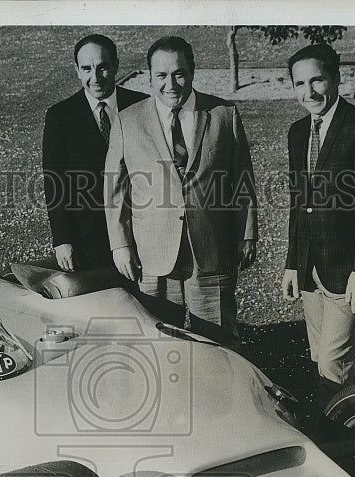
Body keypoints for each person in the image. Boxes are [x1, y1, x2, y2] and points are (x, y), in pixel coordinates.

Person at [105, 36, 257, 349]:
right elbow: (115, 189)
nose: (170, 84)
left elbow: (243, 179)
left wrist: (248, 234)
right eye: (161, 75)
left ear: (192, 71)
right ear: (150, 76)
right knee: (159, 344)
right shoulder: (127, 121)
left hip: (212, 250)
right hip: (152, 255)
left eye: (179, 73)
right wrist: (121, 244)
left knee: (219, 344)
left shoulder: (223, 115)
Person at [281, 43, 355, 433]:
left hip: (348, 271)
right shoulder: (298, 132)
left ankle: (335, 439)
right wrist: (292, 263)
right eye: (299, 83)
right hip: (311, 268)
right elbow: (299, 204)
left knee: (333, 361)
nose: (309, 92)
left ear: (336, 78)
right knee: (318, 356)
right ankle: (331, 422)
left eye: (317, 80)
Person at [42, 34, 147, 272]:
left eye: (103, 67)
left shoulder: (142, 106)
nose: (95, 77)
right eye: (87, 69)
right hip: (87, 239)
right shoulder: (60, 116)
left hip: (140, 232)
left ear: (116, 66)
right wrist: (63, 239)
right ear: (77, 70)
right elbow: (54, 182)